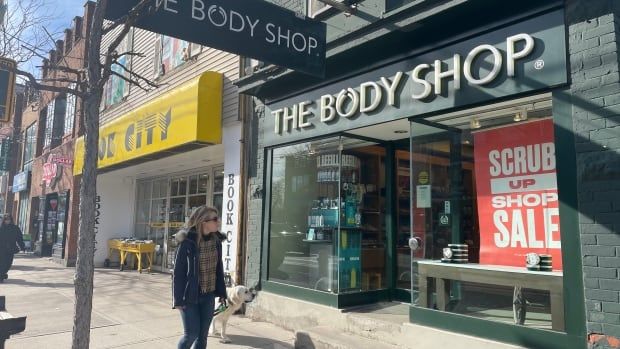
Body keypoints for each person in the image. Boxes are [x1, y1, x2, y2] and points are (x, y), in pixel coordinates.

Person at [172, 206, 227, 349]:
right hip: (190, 296)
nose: (218, 221)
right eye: (215, 219)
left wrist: (222, 292)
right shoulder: (187, 242)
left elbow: (218, 268)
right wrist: (178, 299)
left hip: (208, 295)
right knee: (191, 334)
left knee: (202, 337)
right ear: (203, 222)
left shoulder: (216, 241)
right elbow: (178, 273)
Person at [0, 214, 25, 282]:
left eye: (8, 219)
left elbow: (19, 238)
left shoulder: (15, 228)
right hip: (1, 249)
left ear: (11, 220)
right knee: (2, 263)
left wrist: (22, 247)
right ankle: (1, 276)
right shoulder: (1, 228)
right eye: (6, 219)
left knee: (8, 264)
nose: (7, 221)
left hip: (11, 249)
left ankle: (3, 274)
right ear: (4, 220)